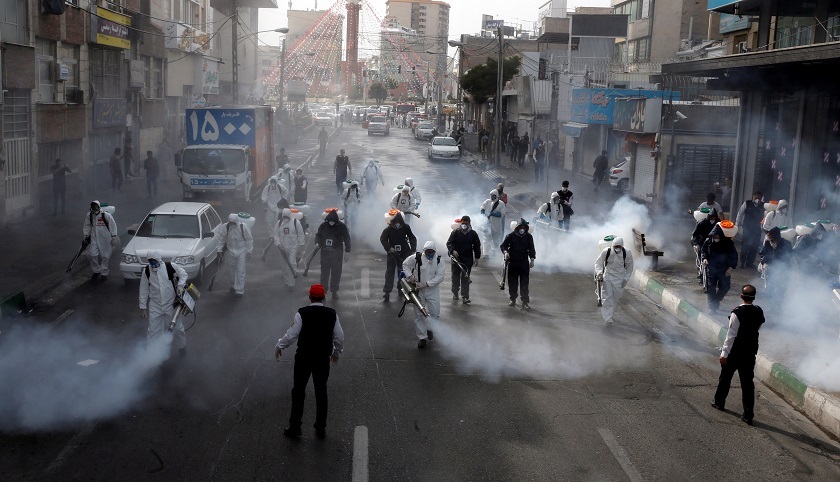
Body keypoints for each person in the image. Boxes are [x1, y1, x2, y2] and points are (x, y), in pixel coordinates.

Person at [275, 283, 344, 440]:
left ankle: (295, 427)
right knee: (321, 391)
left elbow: (292, 335)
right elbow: (339, 336)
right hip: (322, 359)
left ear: (310, 297)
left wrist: (280, 345)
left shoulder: (302, 313)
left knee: (298, 391)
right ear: (324, 297)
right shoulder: (332, 314)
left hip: (304, 358)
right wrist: (336, 353)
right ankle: (320, 427)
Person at [711, 284, 765, 426]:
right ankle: (748, 414)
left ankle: (719, 402)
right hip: (749, 352)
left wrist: (724, 354)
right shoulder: (759, 311)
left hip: (735, 352)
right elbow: (757, 328)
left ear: (741, 296)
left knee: (725, 378)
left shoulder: (737, 312)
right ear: (754, 297)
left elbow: (731, 336)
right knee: (747, 385)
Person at [139, 250, 189, 357]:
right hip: (155, 305)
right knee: (153, 331)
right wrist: (142, 306)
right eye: (150, 261)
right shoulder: (147, 271)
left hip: (170, 304)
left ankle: (182, 347)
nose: (153, 263)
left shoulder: (170, 266)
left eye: (154, 260)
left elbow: (183, 274)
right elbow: (143, 289)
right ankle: (151, 353)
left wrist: (180, 285)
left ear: (158, 259)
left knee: (177, 327)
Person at [402, 241, 446, 348]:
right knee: (419, 315)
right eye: (428, 252)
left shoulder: (439, 260)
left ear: (435, 252)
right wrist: (410, 276)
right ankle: (422, 338)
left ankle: (430, 328)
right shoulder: (416, 258)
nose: (430, 254)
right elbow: (405, 265)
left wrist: (426, 284)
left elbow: (440, 277)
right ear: (424, 251)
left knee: (435, 313)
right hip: (419, 291)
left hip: (432, 291)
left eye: (432, 252)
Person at [594, 237, 634, 325]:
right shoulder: (606, 251)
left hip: (619, 279)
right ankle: (608, 319)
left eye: (619, 246)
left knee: (616, 298)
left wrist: (626, 279)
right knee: (607, 298)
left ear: (622, 246)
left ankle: (610, 315)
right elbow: (598, 263)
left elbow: (630, 267)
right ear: (613, 246)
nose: (617, 248)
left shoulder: (627, 253)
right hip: (607, 277)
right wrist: (599, 273)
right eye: (616, 246)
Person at [213, 213, 254, 297]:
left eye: (233, 222)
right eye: (230, 222)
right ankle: (233, 285)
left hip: (241, 251)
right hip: (230, 251)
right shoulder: (226, 227)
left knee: (240, 271)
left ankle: (239, 290)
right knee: (230, 271)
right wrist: (219, 250)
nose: (232, 224)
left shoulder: (243, 227)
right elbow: (220, 238)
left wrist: (249, 251)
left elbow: (249, 239)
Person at [701, 223, 739, 313]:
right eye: (714, 236)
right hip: (712, 268)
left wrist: (731, 267)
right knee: (711, 288)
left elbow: (734, 256)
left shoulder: (728, 243)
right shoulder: (708, 241)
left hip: (724, 269)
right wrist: (704, 258)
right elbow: (703, 251)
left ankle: (715, 301)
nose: (716, 238)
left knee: (725, 287)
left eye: (717, 236)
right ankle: (712, 307)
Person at [380, 211, 417, 302]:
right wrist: (389, 248)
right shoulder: (388, 229)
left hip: (404, 252)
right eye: (396, 223)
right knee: (390, 272)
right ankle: (387, 292)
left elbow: (412, 238)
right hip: (392, 253)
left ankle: (401, 289)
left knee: (402, 272)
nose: (397, 225)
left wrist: (413, 249)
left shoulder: (406, 227)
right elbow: (383, 239)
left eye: (399, 223)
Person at [500, 218, 536, 309]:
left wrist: (532, 259)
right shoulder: (510, 236)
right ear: (517, 227)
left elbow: (531, 248)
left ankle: (525, 301)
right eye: (520, 227)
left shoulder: (529, 237)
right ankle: (513, 299)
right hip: (513, 263)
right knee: (512, 283)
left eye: (524, 227)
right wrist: (506, 252)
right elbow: (503, 246)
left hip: (524, 263)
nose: (522, 229)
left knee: (524, 283)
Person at [315, 210, 351, 299]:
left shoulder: (341, 227)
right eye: (330, 221)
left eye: (333, 221)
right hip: (325, 253)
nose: (331, 222)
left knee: (336, 274)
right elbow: (318, 235)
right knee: (324, 274)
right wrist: (317, 243)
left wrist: (347, 251)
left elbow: (347, 238)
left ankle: (334, 291)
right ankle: (323, 291)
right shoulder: (323, 226)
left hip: (337, 254)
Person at [445, 215, 481, 304]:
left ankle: (465, 297)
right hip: (456, 259)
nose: (464, 225)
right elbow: (449, 243)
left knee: (465, 278)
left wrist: (477, 257)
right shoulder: (455, 233)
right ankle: (455, 293)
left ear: (469, 223)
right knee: (455, 277)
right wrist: (453, 251)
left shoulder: (473, 234)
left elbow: (477, 246)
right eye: (463, 223)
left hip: (467, 260)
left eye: (466, 223)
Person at [83, 200, 118, 281]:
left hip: (105, 238)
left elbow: (113, 225)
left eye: (96, 207)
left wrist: (114, 237)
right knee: (92, 254)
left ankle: (104, 272)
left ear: (99, 207)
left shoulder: (106, 215)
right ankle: (97, 270)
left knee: (105, 256)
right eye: (93, 207)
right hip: (94, 237)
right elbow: (86, 225)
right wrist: (85, 235)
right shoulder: (90, 215)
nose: (94, 209)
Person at [274, 208, 306, 289]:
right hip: (282, 248)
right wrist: (278, 244)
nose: (285, 219)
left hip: (293, 247)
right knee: (284, 266)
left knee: (292, 264)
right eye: (284, 217)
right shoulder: (279, 223)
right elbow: (275, 234)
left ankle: (291, 284)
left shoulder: (296, 222)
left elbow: (301, 234)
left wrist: (301, 245)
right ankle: (286, 282)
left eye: (286, 217)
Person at [758, 226, 793, 300]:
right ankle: (771, 302)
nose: (768, 236)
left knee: (780, 287)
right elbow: (762, 253)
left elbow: (789, 256)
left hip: (782, 269)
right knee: (769, 286)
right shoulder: (768, 243)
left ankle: (778, 303)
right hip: (769, 267)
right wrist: (764, 262)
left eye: (770, 235)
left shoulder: (786, 244)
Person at [735, 190, 764, 269]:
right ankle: (742, 262)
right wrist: (737, 224)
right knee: (745, 245)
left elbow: (766, 217)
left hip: (757, 229)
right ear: (753, 196)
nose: (757, 199)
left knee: (755, 246)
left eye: (759, 198)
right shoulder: (747, 203)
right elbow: (740, 214)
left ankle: (750, 262)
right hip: (747, 228)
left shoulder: (763, 206)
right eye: (756, 197)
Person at [692, 209, 720, 284]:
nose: (712, 220)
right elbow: (695, 235)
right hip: (702, 242)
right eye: (711, 218)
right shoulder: (702, 223)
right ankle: (700, 275)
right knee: (701, 260)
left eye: (714, 218)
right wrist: (695, 244)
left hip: (714, 244)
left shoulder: (718, 223)